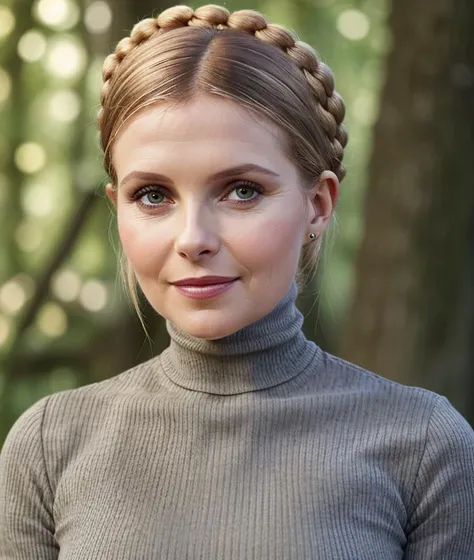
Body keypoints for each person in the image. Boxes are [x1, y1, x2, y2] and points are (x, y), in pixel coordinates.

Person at [1, 3, 473, 558]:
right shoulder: (49, 445)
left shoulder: (424, 445)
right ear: (117, 207)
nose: (192, 238)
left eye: (241, 190)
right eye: (153, 195)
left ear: (317, 205)